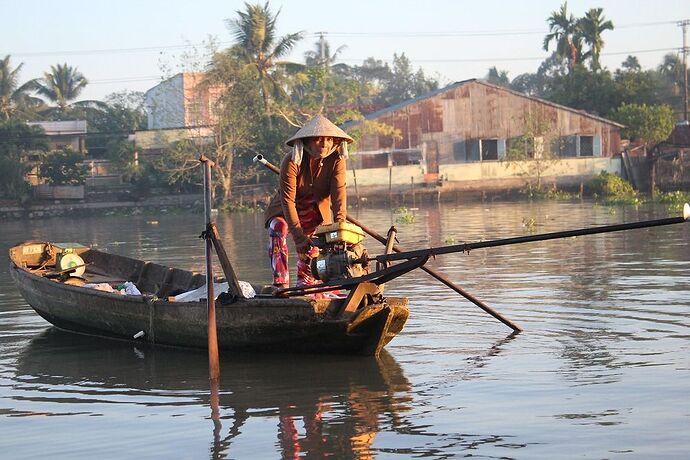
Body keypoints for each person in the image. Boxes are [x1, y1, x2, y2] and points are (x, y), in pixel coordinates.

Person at [264, 114, 353, 290]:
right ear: (307, 141)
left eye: (329, 140)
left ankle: (308, 285)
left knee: (316, 245)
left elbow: (339, 194)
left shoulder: (336, 160)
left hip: (316, 212)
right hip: (285, 211)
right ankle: (281, 284)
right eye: (319, 139)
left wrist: (339, 226)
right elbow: (287, 201)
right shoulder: (291, 161)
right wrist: (298, 237)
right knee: (277, 228)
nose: (324, 144)